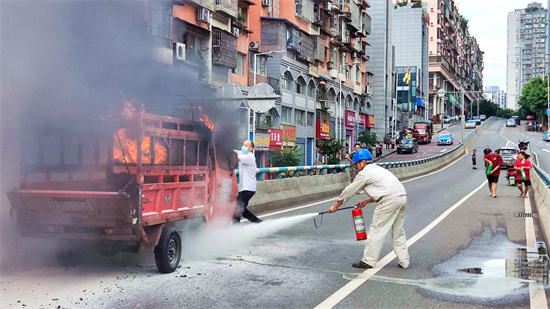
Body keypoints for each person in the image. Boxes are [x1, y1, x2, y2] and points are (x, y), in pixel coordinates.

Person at [327, 149, 410, 269]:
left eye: (356, 164)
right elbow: (385, 190)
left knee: (377, 230)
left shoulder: (364, 173)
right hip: (402, 197)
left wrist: (335, 206)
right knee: (398, 232)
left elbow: (349, 191)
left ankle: (369, 261)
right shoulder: (378, 169)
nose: (356, 167)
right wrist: (367, 201)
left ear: (363, 162)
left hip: (390, 200)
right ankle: (404, 261)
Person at [233, 140, 262, 224]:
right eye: (243, 145)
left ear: (251, 148)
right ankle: (258, 222)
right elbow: (234, 152)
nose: (243, 147)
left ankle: (235, 227)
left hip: (248, 188)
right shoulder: (243, 154)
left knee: (237, 207)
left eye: (246, 145)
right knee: (242, 210)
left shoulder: (250, 157)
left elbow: (235, 157)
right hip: (245, 188)